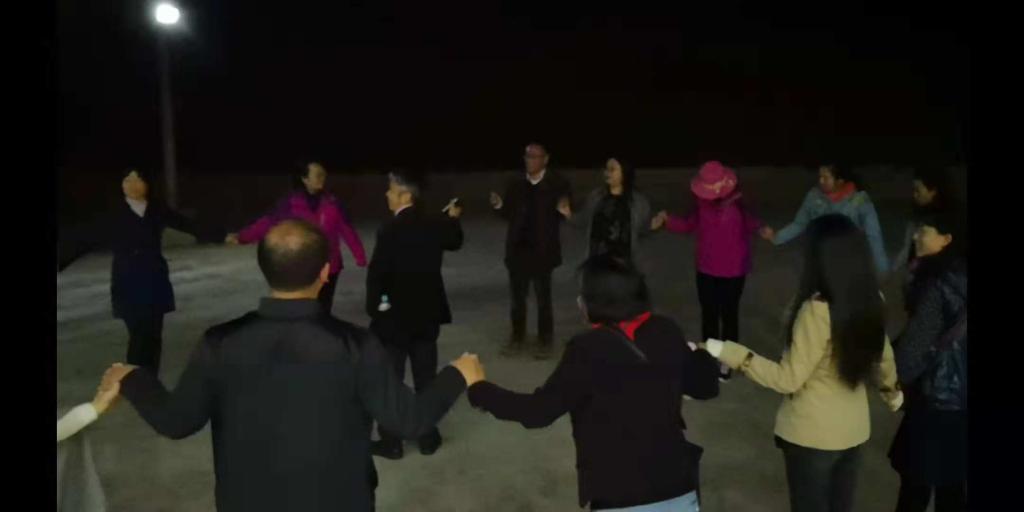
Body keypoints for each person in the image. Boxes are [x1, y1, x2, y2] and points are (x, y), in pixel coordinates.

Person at [99, 219, 484, 512]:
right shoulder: (355, 344)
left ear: (264, 269)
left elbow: (176, 420)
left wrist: (132, 378)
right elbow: (408, 420)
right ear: (324, 273)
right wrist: (458, 375)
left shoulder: (220, 343)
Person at [468, 254, 720, 512]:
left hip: (621, 494)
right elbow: (705, 387)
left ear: (597, 302)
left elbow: (539, 412)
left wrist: (479, 388)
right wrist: (700, 354)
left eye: (583, 295)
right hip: (678, 487)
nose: (579, 301)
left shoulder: (587, 349)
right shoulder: (666, 330)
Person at [703, 214, 903, 512]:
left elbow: (788, 379)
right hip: (854, 431)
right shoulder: (872, 298)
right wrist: (892, 393)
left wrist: (727, 351)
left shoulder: (816, 311)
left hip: (812, 435)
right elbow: (883, 356)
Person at [57, 168, 227, 373]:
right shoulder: (113, 213)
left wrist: (222, 236)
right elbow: (85, 240)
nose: (133, 184)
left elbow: (186, 225)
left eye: (138, 179)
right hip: (127, 282)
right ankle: (137, 379)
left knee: (154, 336)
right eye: (128, 180)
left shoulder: (156, 209)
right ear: (121, 185)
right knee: (138, 336)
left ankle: (150, 380)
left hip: (155, 279)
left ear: (147, 184)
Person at [366, 170, 464, 460]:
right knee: (426, 378)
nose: (387, 194)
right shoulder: (434, 223)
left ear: (405, 195)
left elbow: (378, 276)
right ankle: (427, 437)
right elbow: (454, 240)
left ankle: (392, 441)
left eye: (391, 189)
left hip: (394, 320)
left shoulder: (389, 229)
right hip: (426, 316)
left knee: (391, 382)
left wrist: (376, 308)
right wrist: (453, 218)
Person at [651, 161, 772, 381]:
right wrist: (668, 220)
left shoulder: (738, 204)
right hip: (706, 269)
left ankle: (728, 360)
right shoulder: (701, 205)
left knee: (729, 315)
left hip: (734, 271)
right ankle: (708, 358)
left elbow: (751, 222)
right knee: (709, 315)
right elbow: (688, 224)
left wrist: (761, 228)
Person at [889, 209, 968, 512]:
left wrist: (892, 380)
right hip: (961, 400)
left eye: (924, 231)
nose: (916, 236)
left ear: (946, 239)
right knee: (952, 486)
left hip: (936, 398)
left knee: (915, 486)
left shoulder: (935, 284)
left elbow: (913, 351)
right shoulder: (959, 275)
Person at [227, 161, 367, 312]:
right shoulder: (290, 203)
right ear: (305, 179)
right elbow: (267, 222)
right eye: (317, 174)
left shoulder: (333, 203)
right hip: (303, 264)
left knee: (324, 306)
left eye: (323, 174)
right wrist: (242, 237)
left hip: (330, 266)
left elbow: (347, 230)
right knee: (304, 306)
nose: (322, 177)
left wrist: (359, 256)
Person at [490, 143, 572, 359]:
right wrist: (499, 206)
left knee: (543, 298)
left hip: (543, 251)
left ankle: (545, 340)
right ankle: (517, 337)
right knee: (517, 299)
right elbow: (508, 214)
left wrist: (565, 211)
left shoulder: (557, 184)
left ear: (545, 159)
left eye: (535, 157)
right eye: (527, 156)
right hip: (518, 249)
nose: (530, 160)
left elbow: (564, 213)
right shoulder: (516, 183)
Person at [765, 164, 890, 275]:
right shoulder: (813, 197)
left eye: (825, 178)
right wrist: (777, 237)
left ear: (840, 181)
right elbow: (799, 224)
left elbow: (874, 235)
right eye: (820, 176)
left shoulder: (859, 200)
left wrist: (882, 268)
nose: (821, 181)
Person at [557, 157, 654, 267]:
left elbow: (641, 229)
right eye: (606, 169)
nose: (607, 172)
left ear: (625, 172)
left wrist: (652, 225)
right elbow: (583, 220)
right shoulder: (596, 197)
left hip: (624, 264)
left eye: (612, 169)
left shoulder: (638, 202)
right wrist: (569, 214)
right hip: (596, 261)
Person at [891, 166, 955, 274]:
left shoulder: (945, 220)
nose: (914, 195)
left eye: (918, 190)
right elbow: (907, 248)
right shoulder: (917, 213)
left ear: (933, 191)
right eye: (913, 190)